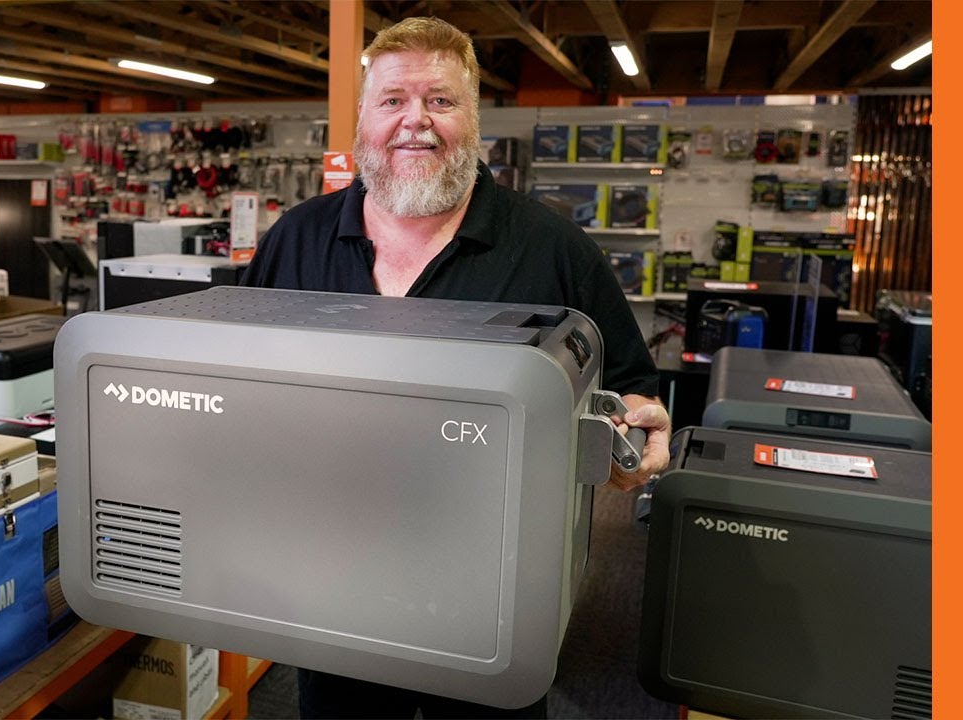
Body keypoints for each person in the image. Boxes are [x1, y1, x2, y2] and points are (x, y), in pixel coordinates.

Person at [240, 15, 671, 719]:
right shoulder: (296, 239)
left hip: (495, 598)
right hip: (332, 586)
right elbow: (238, 379)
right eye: (393, 100)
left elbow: (631, 389)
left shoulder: (553, 249)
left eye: (440, 100)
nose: (416, 121)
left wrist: (639, 432)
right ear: (362, 121)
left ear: (473, 120)